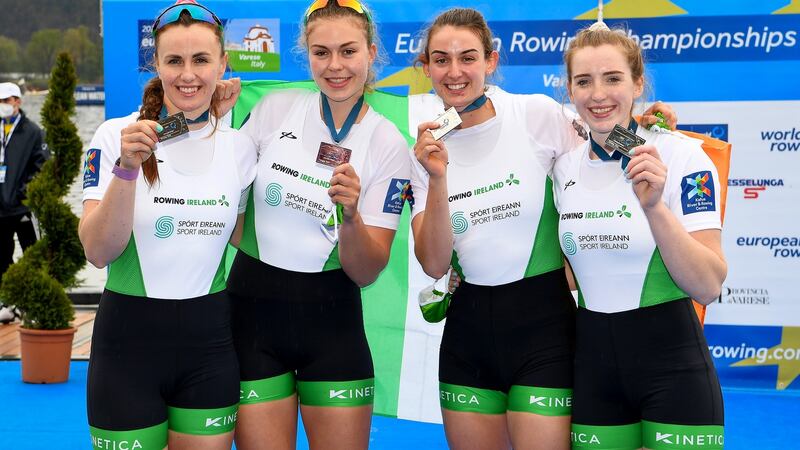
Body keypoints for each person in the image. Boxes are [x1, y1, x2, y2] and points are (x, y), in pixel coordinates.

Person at [408, 8, 676, 450]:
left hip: (545, 333)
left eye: (468, 57)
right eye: (441, 59)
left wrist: (642, 131)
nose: (454, 72)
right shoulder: (425, 147)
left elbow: (602, 146)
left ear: (491, 61)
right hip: (467, 337)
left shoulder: (535, 113)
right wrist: (437, 177)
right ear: (426, 68)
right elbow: (434, 262)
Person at [218, 1, 410, 448]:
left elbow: (366, 271)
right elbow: (220, 199)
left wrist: (352, 217)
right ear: (306, 55)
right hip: (252, 314)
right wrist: (211, 123)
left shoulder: (388, 143)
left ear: (371, 52)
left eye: (348, 51)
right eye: (321, 52)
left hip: (334, 322)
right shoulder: (274, 108)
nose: (335, 65)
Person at [79, 1, 256, 449]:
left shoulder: (239, 147)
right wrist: (126, 168)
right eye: (174, 61)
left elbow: (252, 236)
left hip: (210, 347)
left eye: (201, 60)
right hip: (127, 348)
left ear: (223, 63)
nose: (187, 74)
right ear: (155, 64)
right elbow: (98, 251)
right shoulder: (116, 135)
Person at [554, 22, 726, 450]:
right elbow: (569, 273)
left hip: (673, 369)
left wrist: (654, 208)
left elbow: (708, 284)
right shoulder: (563, 168)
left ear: (637, 82)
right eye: (584, 81)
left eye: (613, 78)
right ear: (569, 90)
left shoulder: (681, 154)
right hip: (593, 369)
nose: (598, 95)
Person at [0, 81, 48, 323]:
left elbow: (42, 166)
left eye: (6, 101)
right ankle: (8, 302)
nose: (3, 106)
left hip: (23, 207)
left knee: (32, 253)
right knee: (2, 256)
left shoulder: (32, 131)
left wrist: (23, 193)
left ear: (17, 101)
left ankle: (33, 303)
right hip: (0, 207)